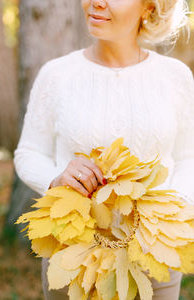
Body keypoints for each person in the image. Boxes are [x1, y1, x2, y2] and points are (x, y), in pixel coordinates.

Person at [13, 0, 194, 299]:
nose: (96, 2)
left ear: (149, 7)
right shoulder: (56, 74)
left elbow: (189, 158)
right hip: (72, 261)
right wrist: (56, 179)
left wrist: (170, 211)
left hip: (154, 259)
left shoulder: (175, 77)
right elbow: (29, 152)